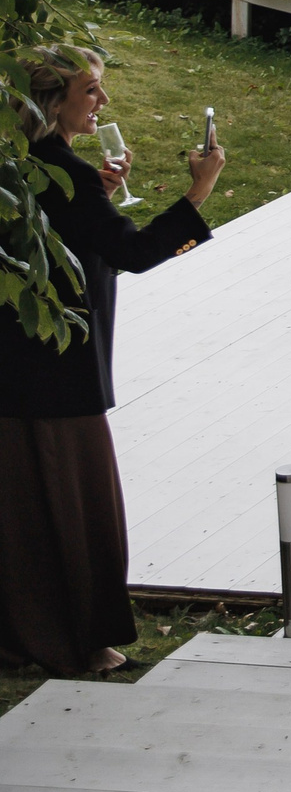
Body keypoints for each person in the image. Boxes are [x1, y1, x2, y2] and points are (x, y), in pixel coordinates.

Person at [1, 47, 223, 678]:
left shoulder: (32, 165)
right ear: (53, 100)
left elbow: (73, 233)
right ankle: (79, 641)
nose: (102, 102)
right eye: (91, 90)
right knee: (77, 512)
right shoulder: (56, 168)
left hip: (25, 366)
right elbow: (134, 252)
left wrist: (94, 196)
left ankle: (33, 635)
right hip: (56, 372)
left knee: (24, 512)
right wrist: (199, 189)